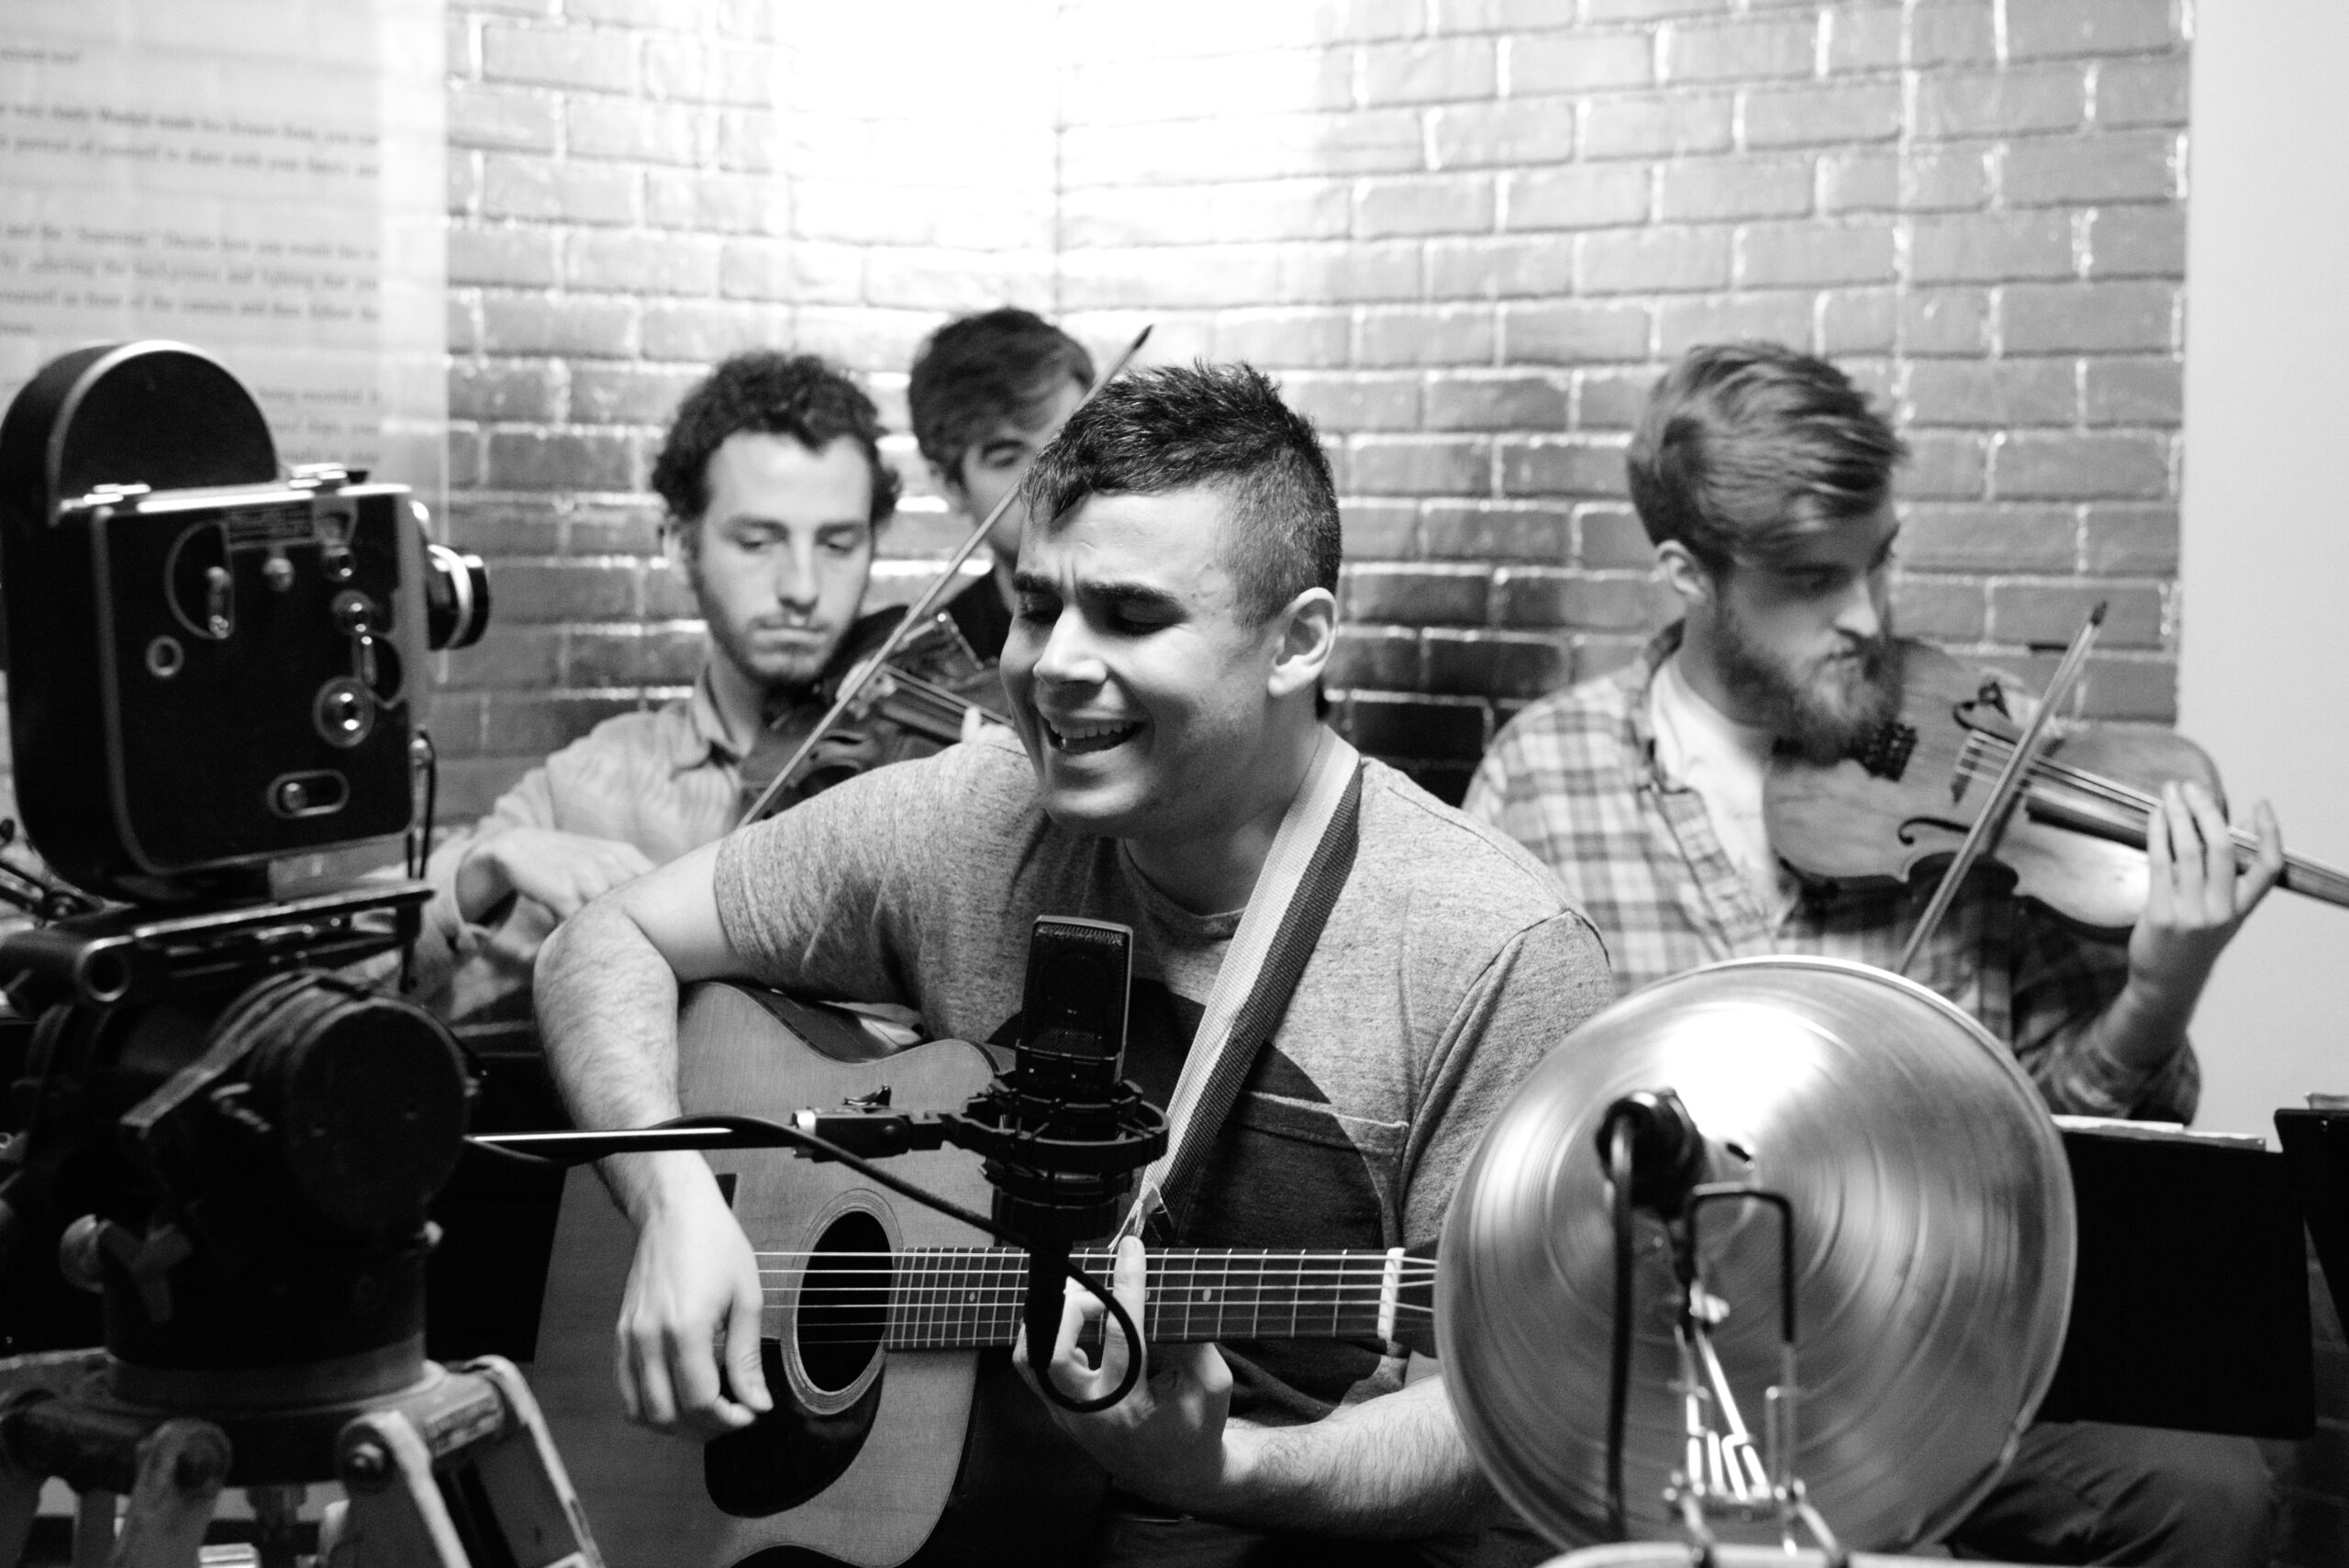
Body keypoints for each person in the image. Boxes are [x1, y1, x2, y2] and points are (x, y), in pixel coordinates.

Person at [532, 361, 1614, 1563]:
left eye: (1133, 616)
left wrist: (1226, 1466)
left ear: (1298, 642)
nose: (1052, 664)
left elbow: (1525, 1411)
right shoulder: (966, 817)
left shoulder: (1494, 948)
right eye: (1038, 606)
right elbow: (606, 936)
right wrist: (676, 1197)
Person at [1464, 341, 2285, 1566]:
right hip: (1664, 1366)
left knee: (2208, 1493)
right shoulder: (1540, 782)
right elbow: (1492, 1150)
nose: (1868, 617)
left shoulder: (1982, 753)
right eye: (1810, 580)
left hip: (1938, 1347)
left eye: (1879, 560)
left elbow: (2063, 1165)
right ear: (1688, 575)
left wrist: (2159, 994)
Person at [402, 351, 942, 1025]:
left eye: (837, 544)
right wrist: (487, 864)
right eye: (757, 541)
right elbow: (351, 976)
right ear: (680, 542)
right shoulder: (597, 783)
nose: (802, 587)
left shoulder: (930, 771)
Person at [909, 306, 1097, 643]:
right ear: (951, 486)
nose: (1051, 477)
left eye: (1069, 442)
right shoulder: (946, 655)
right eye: (1008, 458)